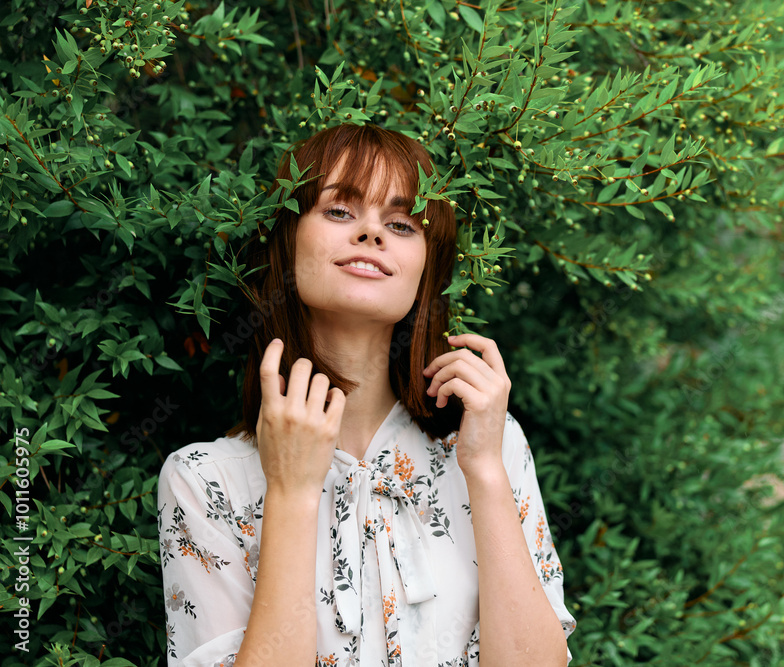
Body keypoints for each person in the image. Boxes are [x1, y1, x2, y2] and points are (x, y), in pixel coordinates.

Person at [156, 122, 577, 666]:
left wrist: (486, 472)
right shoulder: (204, 482)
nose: (372, 233)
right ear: (287, 242)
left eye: (401, 224)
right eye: (339, 211)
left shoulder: (489, 441)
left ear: (426, 269)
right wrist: (292, 494)